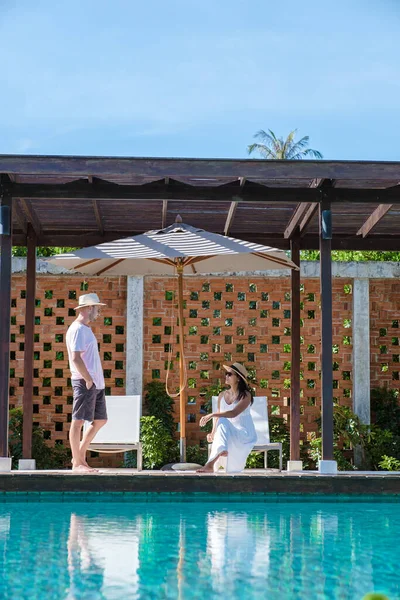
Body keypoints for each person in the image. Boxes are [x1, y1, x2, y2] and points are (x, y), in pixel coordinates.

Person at [66, 293, 108, 473]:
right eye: (97, 308)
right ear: (88, 308)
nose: (98, 312)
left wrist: (95, 381)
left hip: (95, 384)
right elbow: (75, 358)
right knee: (78, 421)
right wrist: (88, 379)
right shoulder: (77, 329)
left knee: (100, 420)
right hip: (85, 382)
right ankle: (78, 463)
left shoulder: (86, 329)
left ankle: (79, 456)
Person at [197, 363, 257, 473]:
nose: (226, 376)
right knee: (222, 420)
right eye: (226, 374)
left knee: (223, 419)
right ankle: (220, 452)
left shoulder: (246, 396)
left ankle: (212, 462)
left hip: (244, 434)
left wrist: (212, 414)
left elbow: (233, 413)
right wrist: (213, 433)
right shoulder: (222, 395)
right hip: (228, 433)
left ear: (238, 378)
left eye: (230, 374)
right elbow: (219, 418)